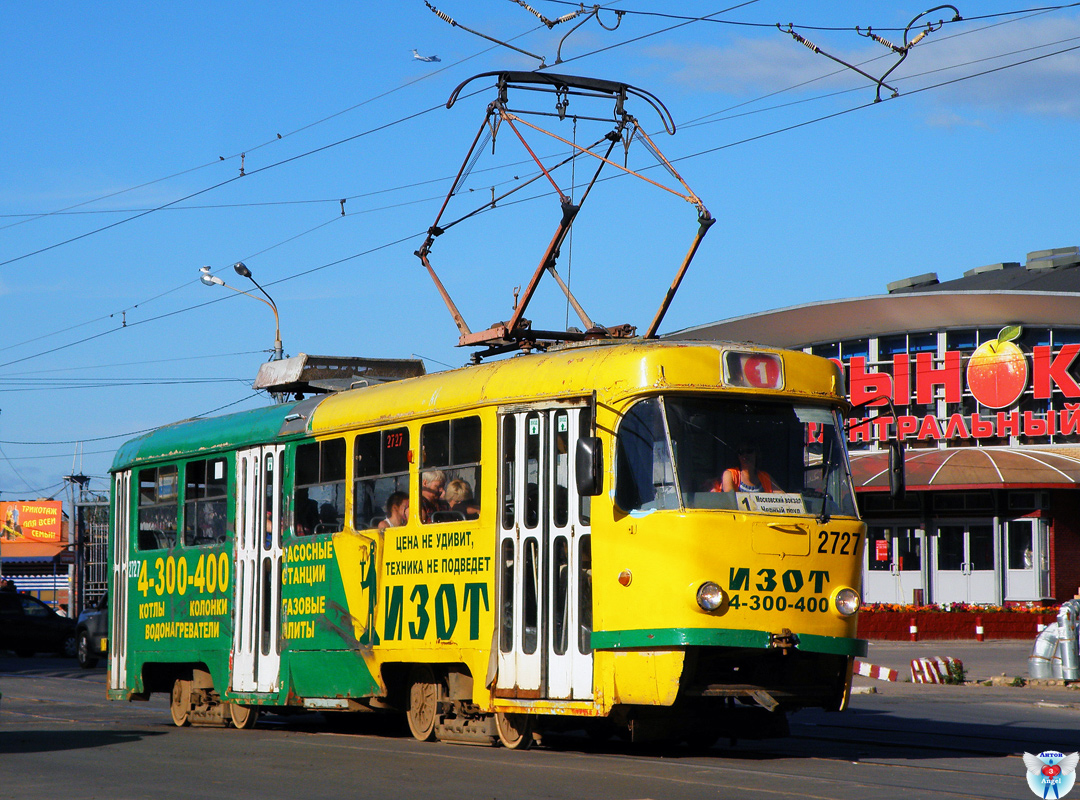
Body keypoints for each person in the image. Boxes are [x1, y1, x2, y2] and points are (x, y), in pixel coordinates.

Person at [714, 442, 781, 493]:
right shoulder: (729, 474)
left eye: (749, 451)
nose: (745, 455)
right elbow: (730, 499)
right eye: (741, 452)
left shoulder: (765, 477)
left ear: (756, 454)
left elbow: (782, 497)